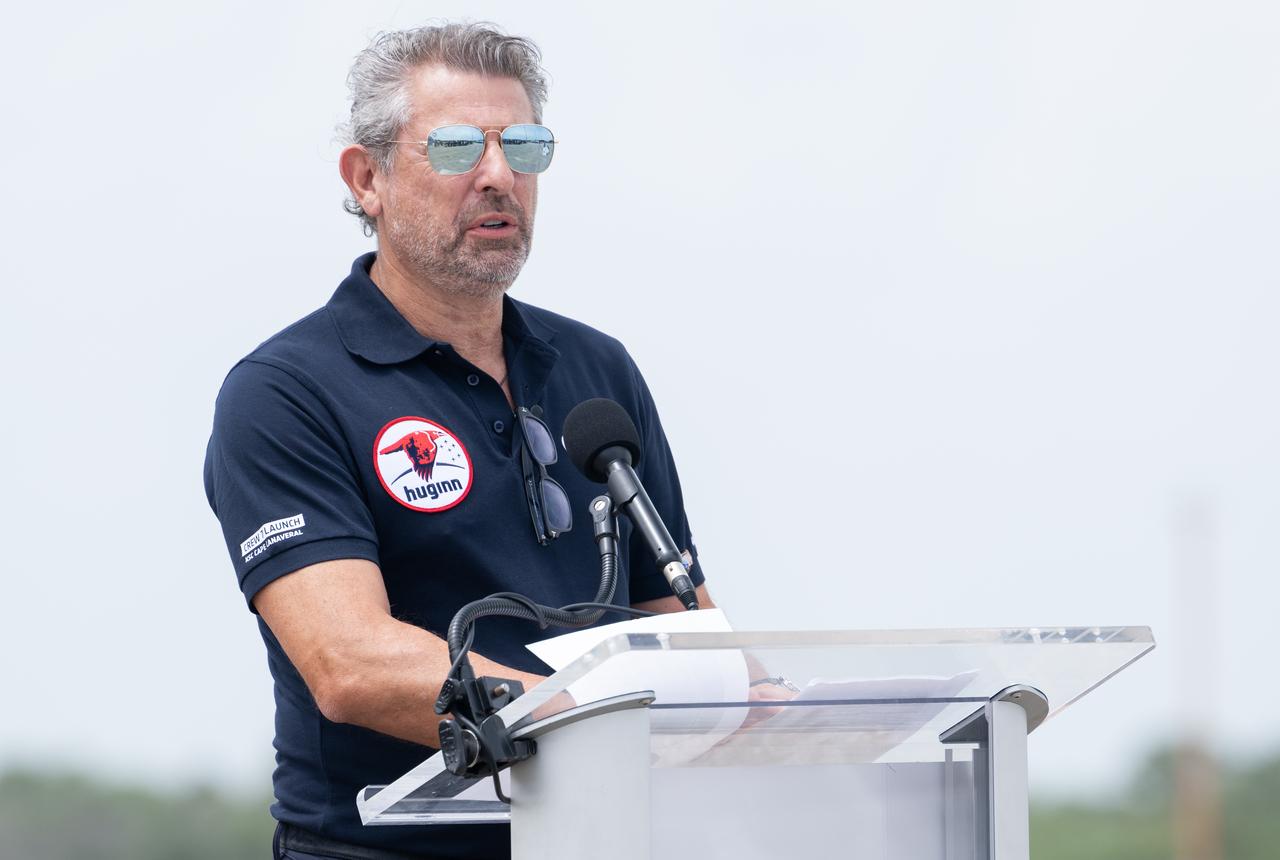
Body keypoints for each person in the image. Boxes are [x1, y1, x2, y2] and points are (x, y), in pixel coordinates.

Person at [203, 23, 716, 860]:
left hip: (605, 838)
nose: (497, 176)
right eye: (452, 148)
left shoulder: (597, 370)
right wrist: (592, 715)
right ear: (367, 178)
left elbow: (681, 618)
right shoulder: (286, 392)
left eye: (524, 145)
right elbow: (350, 662)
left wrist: (756, 697)